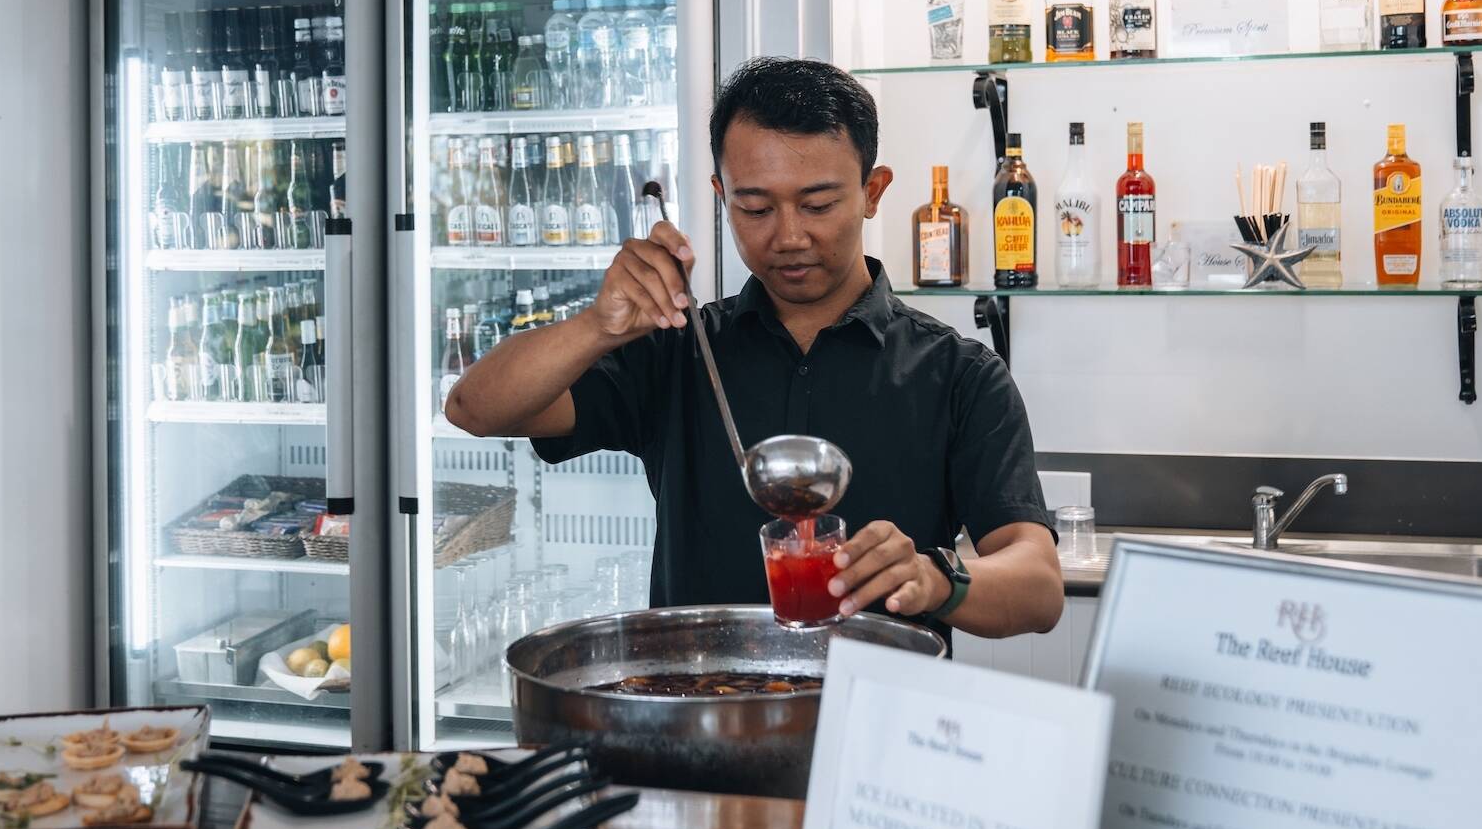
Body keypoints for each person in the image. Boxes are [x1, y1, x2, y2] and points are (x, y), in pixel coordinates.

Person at [445, 57, 1062, 637]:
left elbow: (1038, 586)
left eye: (818, 204)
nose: (789, 236)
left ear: (873, 191)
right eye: (755, 207)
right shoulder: (681, 352)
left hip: (877, 724)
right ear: (721, 196)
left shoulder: (958, 374)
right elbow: (475, 408)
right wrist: (596, 327)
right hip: (700, 716)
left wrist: (938, 579)